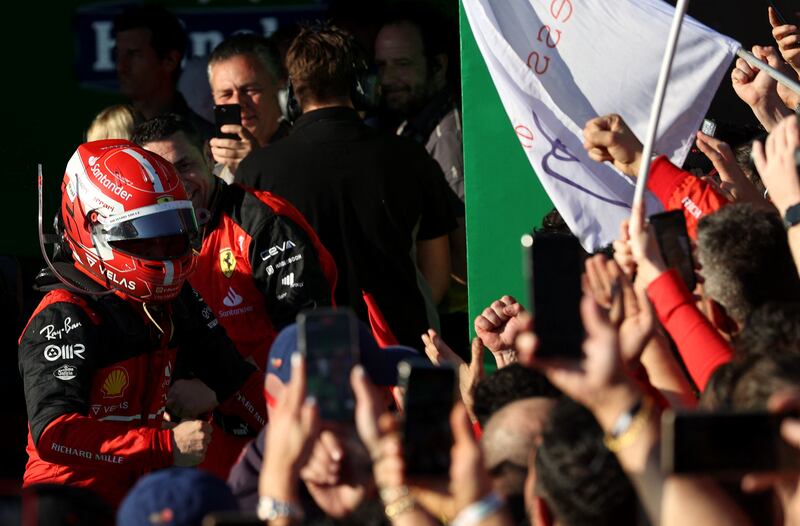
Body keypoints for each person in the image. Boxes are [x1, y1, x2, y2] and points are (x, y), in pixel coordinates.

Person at [19, 140, 266, 506]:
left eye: (172, 232)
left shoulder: (173, 298)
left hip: (140, 497)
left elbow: (234, 379)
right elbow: (55, 434)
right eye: (145, 235)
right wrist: (164, 445)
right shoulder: (65, 314)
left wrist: (302, 432)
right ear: (94, 228)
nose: (162, 251)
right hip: (67, 502)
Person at [132, 114, 337, 478]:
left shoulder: (263, 223)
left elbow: (312, 333)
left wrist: (218, 386)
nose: (177, 183)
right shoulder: (148, 242)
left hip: (285, 427)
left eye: (185, 165)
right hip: (204, 438)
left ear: (210, 160)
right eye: (162, 174)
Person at [237, 23, 457, 349]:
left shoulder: (255, 170)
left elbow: (244, 278)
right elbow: (436, 277)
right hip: (402, 353)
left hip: (304, 356)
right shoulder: (410, 156)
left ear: (293, 94)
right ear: (360, 86)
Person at [112, 6, 214, 139]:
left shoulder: (206, 139)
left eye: (133, 54)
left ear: (170, 61)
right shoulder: (107, 132)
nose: (121, 66)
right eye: (117, 54)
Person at [207, 33, 289, 180]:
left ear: (280, 87)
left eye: (250, 90)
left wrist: (257, 167)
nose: (238, 103)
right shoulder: (209, 172)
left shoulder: (305, 150)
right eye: (226, 94)